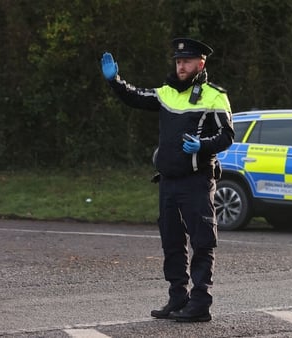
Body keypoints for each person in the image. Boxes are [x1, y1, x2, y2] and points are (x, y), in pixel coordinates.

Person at [100, 38, 234, 322]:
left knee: (202, 242)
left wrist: (202, 145)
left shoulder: (214, 95)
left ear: (201, 63)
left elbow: (227, 136)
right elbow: (135, 97)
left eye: (186, 61)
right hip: (169, 182)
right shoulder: (166, 93)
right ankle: (178, 297)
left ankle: (200, 303)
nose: (181, 66)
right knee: (172, 242)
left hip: (197, 181)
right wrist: (115, 81)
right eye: (177, 61)